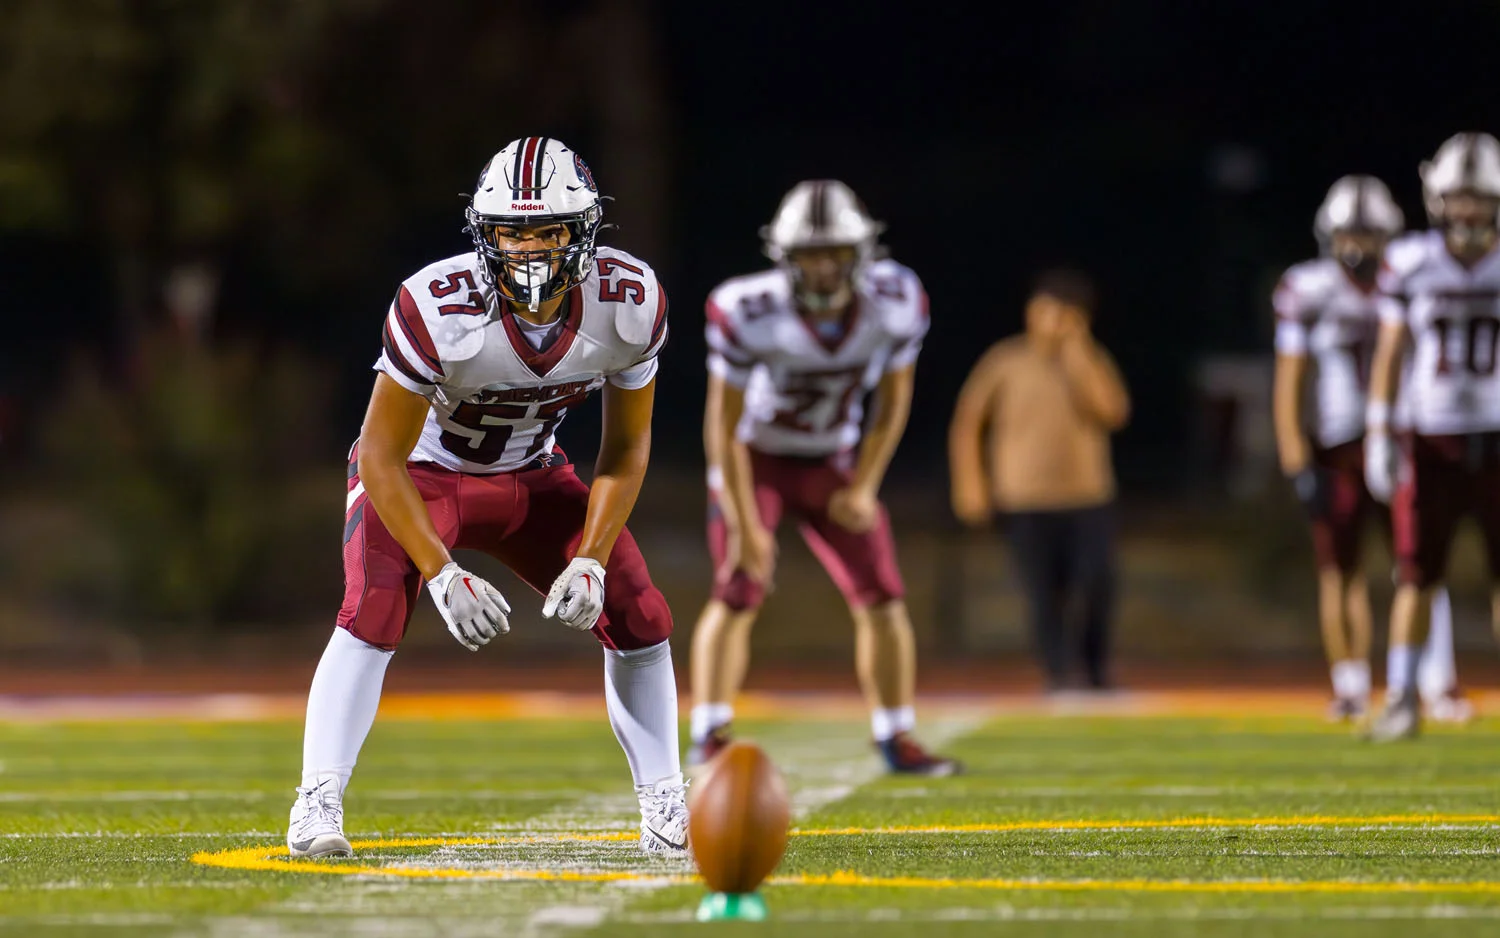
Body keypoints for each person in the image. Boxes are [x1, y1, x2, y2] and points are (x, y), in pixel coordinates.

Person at [287, 138, 685, 857]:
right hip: (421, 476)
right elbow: (378, 453)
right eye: (511, 233)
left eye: (547, 231)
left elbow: (625, 450)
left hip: (533, 474)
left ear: (583, 232)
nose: (529, 250)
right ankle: (316, 800)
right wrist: (440, 572)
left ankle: (665, 799)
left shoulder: (627, 304)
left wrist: (591, 559)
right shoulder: (437, 305)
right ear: (485, 234)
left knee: (638, 609)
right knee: (373, 609)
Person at [686, 180, 960, 776]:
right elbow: (723, 426)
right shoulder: (746, 310)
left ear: (860, 252)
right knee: (738, 587)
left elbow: (893, 401)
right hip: (753, 458)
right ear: (784, 258)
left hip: (830, 461)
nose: (823, 266)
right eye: (810, 253)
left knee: (883, 593)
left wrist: (863, 485)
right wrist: (741, 522)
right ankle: (708, 731)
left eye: (834, 251)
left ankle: (896, 736)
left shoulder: (896, 300)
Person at [1272, 176, 1465, 723]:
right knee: (1340, 569)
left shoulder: (1410, 277)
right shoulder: (1307, 288)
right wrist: (1295, 461)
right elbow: (1289, 380)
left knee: (1423, 566)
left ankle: (1437, 685)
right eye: (1348, 233)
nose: (1358, 245)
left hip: (1405, 436)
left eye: (1369, 233)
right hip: (1336, 447)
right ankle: (1351, 685)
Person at [1364, 131, 1500, 741]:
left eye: (1480, 197)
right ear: (1437, 199)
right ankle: (1401, 698)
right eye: (1458, 197)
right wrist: (1378, 428)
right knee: (1416, 574)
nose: (1467, 210)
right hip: (1431, 438)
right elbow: (1390, 351)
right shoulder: (1411, 261)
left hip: (1497, 434)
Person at [949, 270, 1129, 691]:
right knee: (1043, 593)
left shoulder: (1091, 360)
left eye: (1064, 312)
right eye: (1044, 309)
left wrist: (1078, 352)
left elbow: (1112, 411)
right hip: (1024, 498)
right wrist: (970, 484)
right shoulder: (1005, 361)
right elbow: (968, 422)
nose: (1052, 320)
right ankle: (1058, 674)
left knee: (1096, 585)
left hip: (1088, 496)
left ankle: (1097, 669)